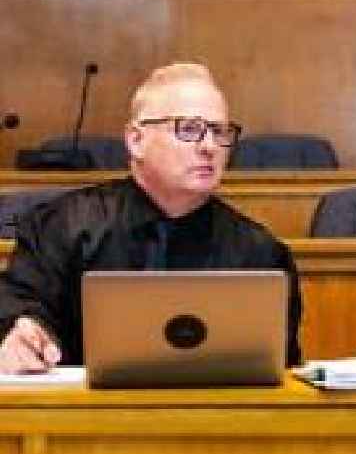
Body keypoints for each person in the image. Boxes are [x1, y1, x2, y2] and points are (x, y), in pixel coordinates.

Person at [0, 63, 302, 373]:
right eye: (189, 129)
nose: (210, 146)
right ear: (136, 140)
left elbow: (284, 370)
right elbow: (19, 307)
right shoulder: (62, 226)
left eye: (220, 131)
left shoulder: (261, 252)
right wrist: (21, 335)